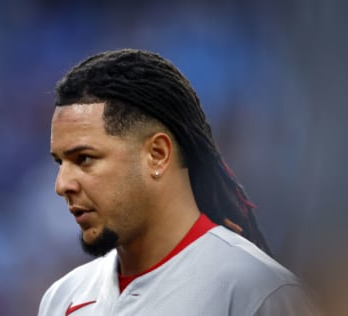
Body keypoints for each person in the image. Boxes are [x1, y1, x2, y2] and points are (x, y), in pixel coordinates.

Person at [38, 49, 320, 315]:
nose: (62, 185)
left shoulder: (258, 292)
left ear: (157, 155)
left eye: (84, 158)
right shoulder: (63, 298)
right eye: (60, 162)